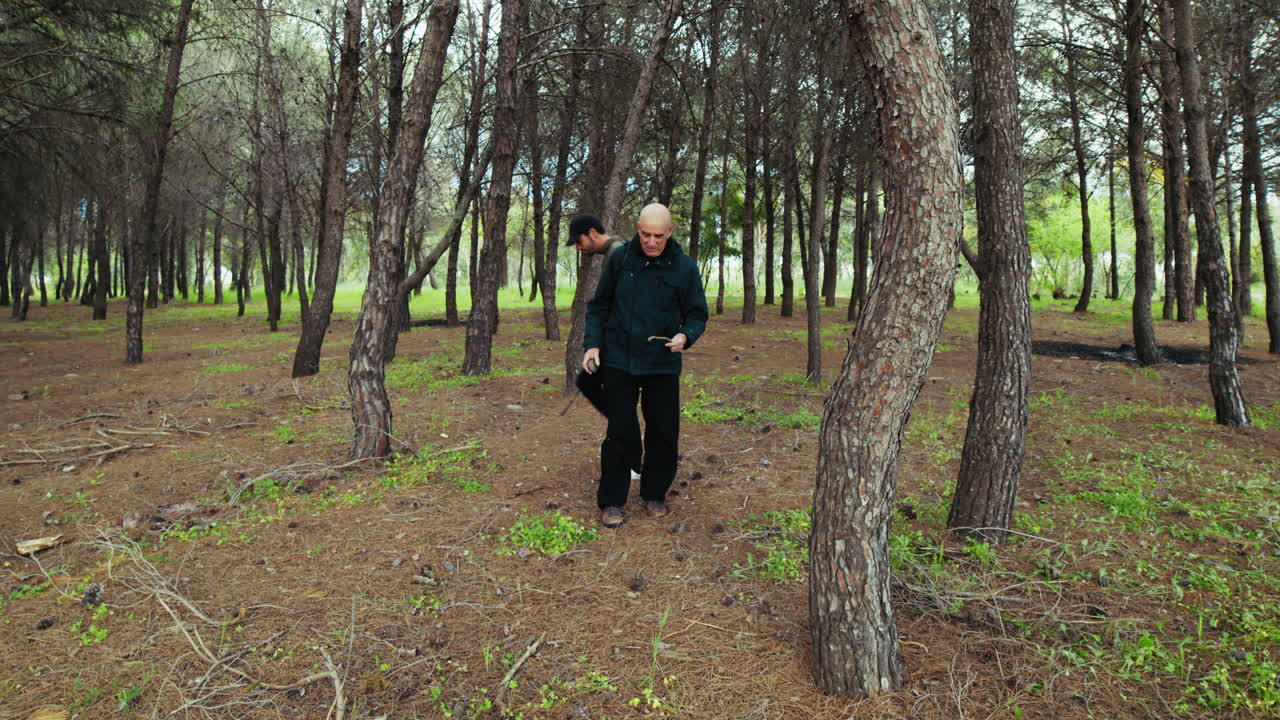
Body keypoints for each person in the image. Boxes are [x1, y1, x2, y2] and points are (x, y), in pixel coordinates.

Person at [583, 203, 708, 528]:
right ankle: (612, 500)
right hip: (619, 359)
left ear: (670, 232)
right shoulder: (620, 259)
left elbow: (697, 314)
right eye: (645, 234)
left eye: (658, 236)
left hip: (662, 362)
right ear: (638, 229)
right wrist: (592, 344)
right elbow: (599, 306)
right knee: (619, 431)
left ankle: (654, 493)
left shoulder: (684, 267)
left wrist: (685, 335)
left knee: (664, 431)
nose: (651, 242)